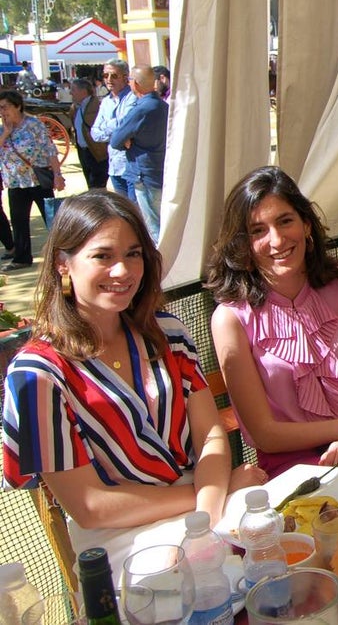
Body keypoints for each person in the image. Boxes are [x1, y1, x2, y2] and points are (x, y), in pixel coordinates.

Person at [1, 191, 266, 574]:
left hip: (207, 508)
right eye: (103, 256)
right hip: (119, 541)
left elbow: (209, 436)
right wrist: (204, 495)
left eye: (133, 253)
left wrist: (205, 522)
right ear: (62, 263)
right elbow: (90, 507)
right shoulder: (36, 376)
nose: (123, 271)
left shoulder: (168, 332)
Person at [205, 166, 338, 478]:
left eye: (284, 221)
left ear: (305, 224)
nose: (276, 240)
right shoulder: (229, 318)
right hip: (294, 466)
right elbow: (264, 434)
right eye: (257, 230)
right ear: (242, 244)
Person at [0, 91, 64, 271]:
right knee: (19, 221)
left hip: (37, 179)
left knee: (52, 219)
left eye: (5, 107)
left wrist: (58, 175)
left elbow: (50, 150)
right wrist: (6, 132)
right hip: (15, 182)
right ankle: (22, 257)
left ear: (17, 106)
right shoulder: (3, 128)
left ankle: (63, 252)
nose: (2, 112)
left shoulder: (33, 124)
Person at [110, 66, 169, 243]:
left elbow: (116, 140)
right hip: (160, 168)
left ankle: (163, 266)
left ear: (135, 83)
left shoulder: (142, 108)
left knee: (154, 226)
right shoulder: (163, 106)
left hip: (143, 172)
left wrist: (129, 141)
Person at [89, 59, 137, 203]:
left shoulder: (132, 97)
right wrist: (115, 127)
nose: (109, 80)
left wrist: (108, 126)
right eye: (105, 75)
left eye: (114, 75)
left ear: (125, 77)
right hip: (114, 166)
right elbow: (95, 133)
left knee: (137, 212)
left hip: (131, 165)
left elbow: (125, 124)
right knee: (123, 210)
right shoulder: (106, 102)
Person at [70, 78, 109, 189]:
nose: (70, 92)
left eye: (73, 90)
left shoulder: (97, 105)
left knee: (97, 185)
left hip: (96, 152)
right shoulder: (75, 107)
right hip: (84, 151)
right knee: (91, 183)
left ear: (83, 92)